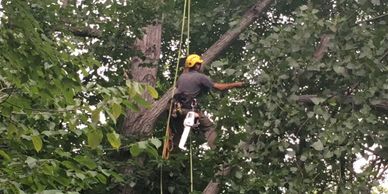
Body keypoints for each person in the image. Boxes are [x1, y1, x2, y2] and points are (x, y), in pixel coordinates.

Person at [170, 54, 244, 149]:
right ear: (196, 65)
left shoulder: (181, 77)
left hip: (177, 109)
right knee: (209, 128)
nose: (201, 66)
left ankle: (174, 143)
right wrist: (237, 84)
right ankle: (216, 150)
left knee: (180, 132)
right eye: (199, 64)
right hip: (190, 111)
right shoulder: (200, 77)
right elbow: (219, 87)